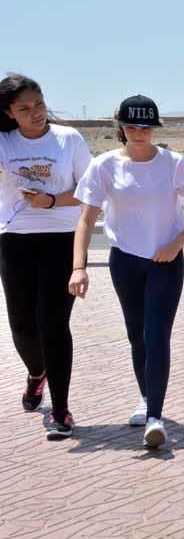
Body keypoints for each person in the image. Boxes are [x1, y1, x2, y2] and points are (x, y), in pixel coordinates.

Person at [70, 95, 184, 449]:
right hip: (125, 261)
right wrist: (79, 267)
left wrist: (175, 244)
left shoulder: (173, 163)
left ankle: (155, 418)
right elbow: (86, 219)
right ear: (121, 127)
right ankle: (146, 397)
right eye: (131, 126)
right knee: (137, 335)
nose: (138, 133)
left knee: (157, 335)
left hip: (166, 262)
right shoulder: (104, 165)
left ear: (154, 128)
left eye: (145, 127)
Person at [0, 74, 91, 440]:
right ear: (9, 113)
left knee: (52, 324)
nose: (35, 113)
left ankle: (62, 410)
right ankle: (37, 373)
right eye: (24, 108)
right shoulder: (3, 143)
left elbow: (89, 194)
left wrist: (50, 200)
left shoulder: (68, 139)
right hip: (15, 239)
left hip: (61, 238)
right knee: (22, 327)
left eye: (38, 104)